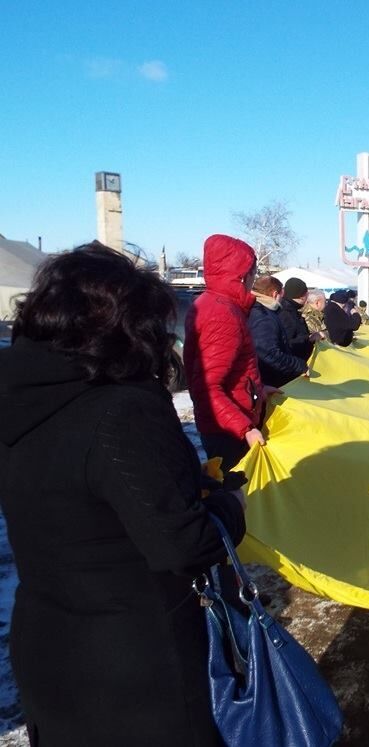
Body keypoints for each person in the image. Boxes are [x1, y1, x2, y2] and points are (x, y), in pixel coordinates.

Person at [0, 243, 246, 745]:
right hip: (136, 667)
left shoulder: (22, 398)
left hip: (47, 647)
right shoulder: (122, 411)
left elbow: (75, 494)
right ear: (127, 328)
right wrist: (229, 506)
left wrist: (170, 479)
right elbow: (184, 545)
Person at [185, 233, 275, 470]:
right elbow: (206, 387)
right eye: (252, 271)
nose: (253, 278)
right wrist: (245, 429)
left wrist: (258, 390)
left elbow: (232, 370)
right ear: (240, 274)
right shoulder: (222, 314)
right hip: (227, 432)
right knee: (238, 496)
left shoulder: (215, 304)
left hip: (226, 424)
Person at [248, 275, 308, 387]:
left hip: (264, 380)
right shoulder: (263, 316)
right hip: (269, 381)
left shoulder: (256, 310)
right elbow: (268, 352)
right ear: (275, 294)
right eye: (281, 295)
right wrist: (299, 366)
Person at [278, 276, 319, 362]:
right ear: (302, 296)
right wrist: (309, 338)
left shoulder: (290, 309)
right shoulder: (286, 313)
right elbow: (286, 343)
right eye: (307, 294)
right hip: (291, 368)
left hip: (294, 365)